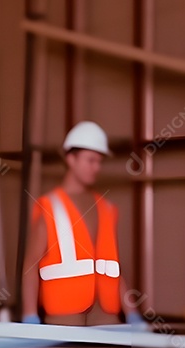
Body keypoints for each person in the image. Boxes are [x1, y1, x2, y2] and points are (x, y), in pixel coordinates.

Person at [21, 120, 143, 327]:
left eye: (99, 161)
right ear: (71, 159)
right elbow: (30, 266)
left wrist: (132, 313)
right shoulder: (50, 207)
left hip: (105, 317)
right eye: (90, 160)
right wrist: (30, 314)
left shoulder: (106, 208)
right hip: (65, 316)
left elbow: (113, 269)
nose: (96, 167)